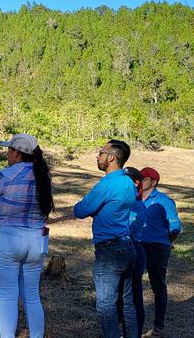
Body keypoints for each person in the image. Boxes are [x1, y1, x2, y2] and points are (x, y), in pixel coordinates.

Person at [0, 133, 54, 338]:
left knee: (7, 296)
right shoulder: (43, 177)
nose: (7, 154)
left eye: (9, 149)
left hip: (5, 238)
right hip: (36, 240)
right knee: (32, 295)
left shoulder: (3, 176)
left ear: (17, 153)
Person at [74, 140, 137, 338]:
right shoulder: (128, 181)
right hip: (128, 245)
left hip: (109, 249)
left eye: (101, 152)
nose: (97, 156)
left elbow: (81, 210)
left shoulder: (107, 184)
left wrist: (96, 210)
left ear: (111, 157)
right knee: (127, 303)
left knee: (106, 305)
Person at [139, 167, 182, 337]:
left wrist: (166, 242)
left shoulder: (165, 201)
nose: (140, 180)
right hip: (138, 246)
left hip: (157, 248)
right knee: (131, 285)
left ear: (153, 182)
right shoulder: (134, 198)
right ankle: (131, 322)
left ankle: (158, 325)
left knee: (158, 286)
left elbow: (175, 226)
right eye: (139, 177)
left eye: (144, 178)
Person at [117, 167, 148, 338]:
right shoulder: (121, 201)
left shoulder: (137, 205)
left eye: (126, 180)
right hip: (118, 249)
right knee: (118, 297)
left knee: (134, 297)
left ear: (136, 184)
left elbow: (127, 229)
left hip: (134, 249)